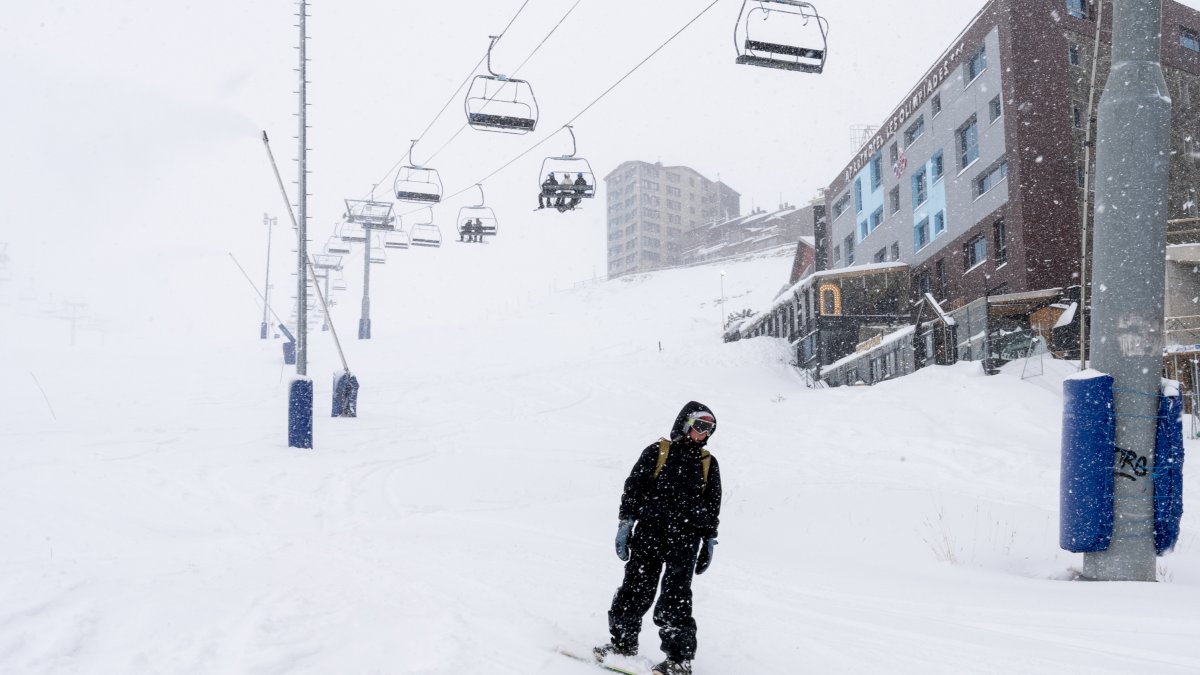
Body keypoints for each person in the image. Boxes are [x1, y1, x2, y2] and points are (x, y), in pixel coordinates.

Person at [594, 401, 722, 675]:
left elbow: (712, 506)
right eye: (700, 426)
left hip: (685, 540)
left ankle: (678, 660)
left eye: (709, 429)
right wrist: (626, 523)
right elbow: (634, 489)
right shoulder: (658, 452)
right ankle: (622, 645)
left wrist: (709, 540)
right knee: (635, 589)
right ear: (686, 424)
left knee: (676, 597)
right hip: (650, 533)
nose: (704, 433)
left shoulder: (708, 464)